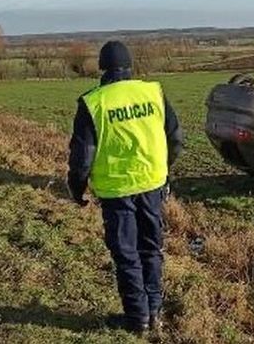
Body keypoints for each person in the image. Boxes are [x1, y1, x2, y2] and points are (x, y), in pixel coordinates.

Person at [67, 41, 183, 334]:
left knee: (126, 254)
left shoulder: (94, 102)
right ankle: (154, 311)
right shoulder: (153, 93)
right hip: (153, 186)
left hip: (117, 192)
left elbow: (82, 158)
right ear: (130, 65)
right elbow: (176, 138)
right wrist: (164, 170)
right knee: (151, 248)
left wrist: (76, 189)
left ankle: (138, 319)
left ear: (102, 68)